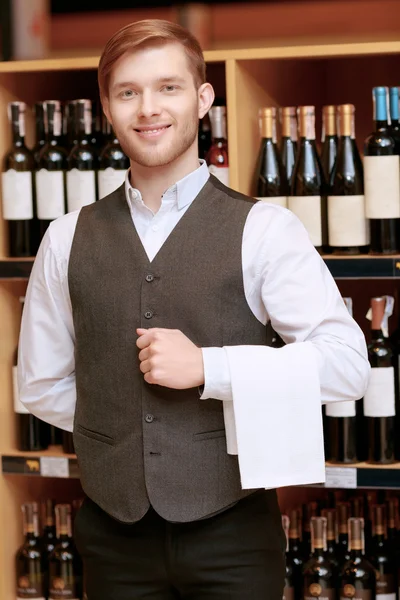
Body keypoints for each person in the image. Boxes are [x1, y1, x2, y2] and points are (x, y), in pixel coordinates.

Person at [18, 19, 370, 600]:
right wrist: (123, 434)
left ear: (204, 99)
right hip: (112, 535)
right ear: (106, 107)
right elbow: (41, 385)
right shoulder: (64, 238)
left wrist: (212, 369)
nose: (148, 108)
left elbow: (347, 366)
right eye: (128, 92)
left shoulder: (265, 229)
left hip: (232, 534)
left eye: (168, 88)